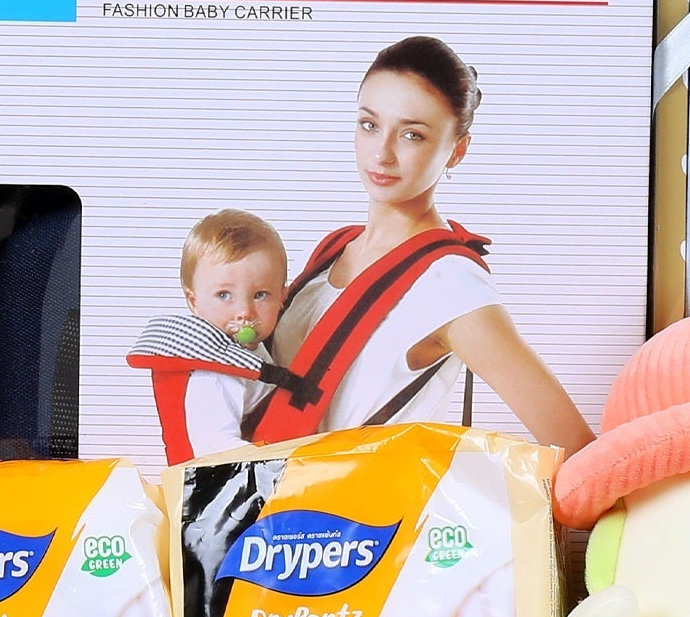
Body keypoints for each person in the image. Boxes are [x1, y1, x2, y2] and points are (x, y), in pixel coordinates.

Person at [266, 37, 592, 450]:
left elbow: (577, 446)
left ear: (457, 151)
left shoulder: (450, 284)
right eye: (369, 125)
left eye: (412, 135)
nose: (382, 154)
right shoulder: (336, 249)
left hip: (362, 493)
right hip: (261, 488)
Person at [173, 209, 290, 455]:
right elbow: (215, 449)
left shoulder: (254, 350)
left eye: (260, 295)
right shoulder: (216, 375)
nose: (244, 312)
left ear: (282, 297)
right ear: (194, 302)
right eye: (224, 295)